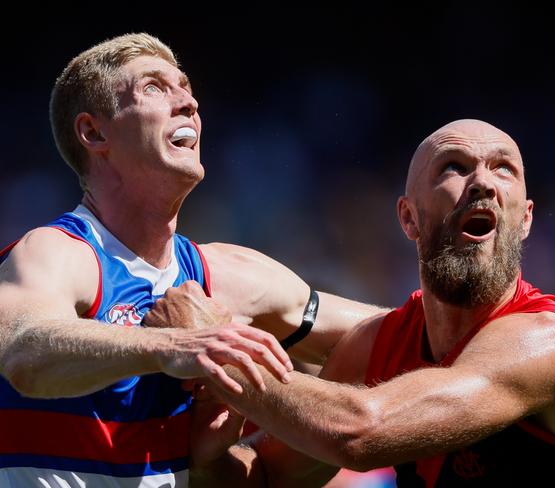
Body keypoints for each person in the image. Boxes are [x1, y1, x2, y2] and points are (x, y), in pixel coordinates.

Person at [151, 119, 555, 486]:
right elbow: (260, 479)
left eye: (504, 169)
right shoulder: (380, 344)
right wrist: (209, 455)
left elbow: (363, 432)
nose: (482, 182)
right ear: (409, 219)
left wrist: (217, 353)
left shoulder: (553, 343)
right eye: (454, 168)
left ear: (525, 219)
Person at [0, 33, 383, 487]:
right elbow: (23, 351)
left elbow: (383, 338)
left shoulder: (229, 274)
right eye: (155, 88)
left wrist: (248, 461)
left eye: (186, 88)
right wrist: (177, 348)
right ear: (94, 133)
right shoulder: (59, 251)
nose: (188, 103)